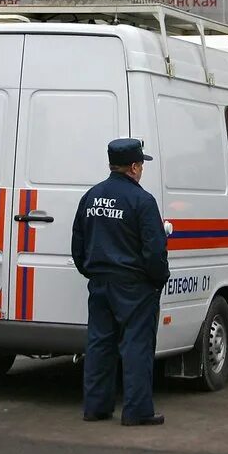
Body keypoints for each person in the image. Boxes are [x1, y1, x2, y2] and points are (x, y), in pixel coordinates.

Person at [71, 138, 170, 426]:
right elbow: (154, 250)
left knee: (100, 345)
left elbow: (78, 243)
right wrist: (157, 279)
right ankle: (137, 410)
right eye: (141, 165)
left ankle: (96, 407)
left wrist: (91, 272)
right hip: (134, 285)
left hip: (100, 282)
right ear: (135, 166)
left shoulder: (91, 196)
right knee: (136, 346)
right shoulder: (142, 201)